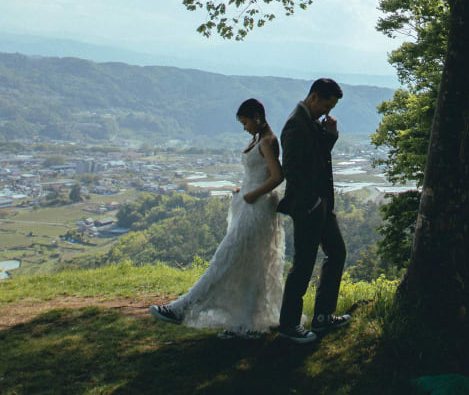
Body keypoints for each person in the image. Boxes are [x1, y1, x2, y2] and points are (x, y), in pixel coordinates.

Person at [148, 98, 285, 339]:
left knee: (227, 259)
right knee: (247, 264)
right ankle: (247, 321)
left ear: (257, 117)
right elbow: (259, 175)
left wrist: (251, 194)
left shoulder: (267, 141)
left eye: (245, 122)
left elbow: (276, 177)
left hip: (257, 207)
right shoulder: (259, 140)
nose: (244, 127)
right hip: (250, 204)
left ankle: (182, 309)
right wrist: (243, 191)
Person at [276, 77, 350, 343]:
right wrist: (313, 203)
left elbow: (318, 157)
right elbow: (293, 171)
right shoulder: (296, 124)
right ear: (314, 97)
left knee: (337, 252)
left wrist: (330, 134)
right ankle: (288, 325)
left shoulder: (310, 122)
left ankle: (322, 317)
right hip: (308, 206)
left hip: (320, 204)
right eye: (326, 106)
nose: (327, 112)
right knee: (304, 264)